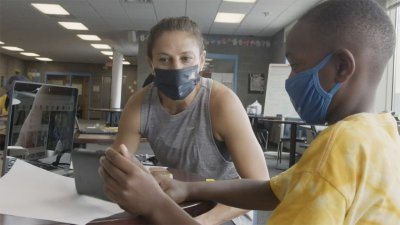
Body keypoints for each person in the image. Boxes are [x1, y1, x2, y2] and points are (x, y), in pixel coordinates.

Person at [99, 0, 400, 224]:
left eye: (296, 65)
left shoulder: (334, 150)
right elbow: (272, 189)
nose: (291, 80)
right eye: (164, 59)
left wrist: (156, 205)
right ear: (152, 63)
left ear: (342, 67)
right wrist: (188, 190)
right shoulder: (380, 133)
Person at [102, 16, 269, 225]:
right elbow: (119, 169)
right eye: (164, 59)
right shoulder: (139, 104)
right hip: (176, 199)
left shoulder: (222, 103)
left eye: (186, 58)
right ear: (151, 64)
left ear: (201, 60)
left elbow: (261, 184)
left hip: (226, 208)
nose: (176, 68)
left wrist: (203, 222)